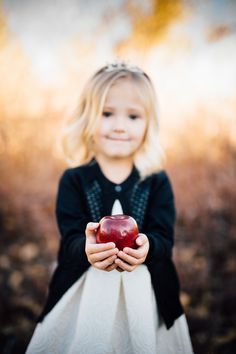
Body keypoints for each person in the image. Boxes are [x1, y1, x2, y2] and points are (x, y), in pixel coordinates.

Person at [26, 62, 194, 353]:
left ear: (147, 124)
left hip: (146, 297)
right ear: (88, 119)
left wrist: (147, 247)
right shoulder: (74, 179)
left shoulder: (156, 180)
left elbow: (164, 239)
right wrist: (86, 249)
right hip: (88, 298)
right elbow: (70, 241)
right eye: (106, 114)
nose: (119, 125)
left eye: (133, 116)